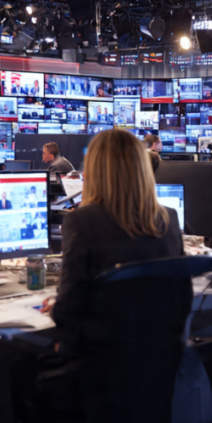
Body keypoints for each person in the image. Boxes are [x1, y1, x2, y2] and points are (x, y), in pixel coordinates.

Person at [49, 129, 183, 357]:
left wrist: (54, 306)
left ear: (94, 170)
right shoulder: (169, 218)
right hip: (159, 364)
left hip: (96, 365)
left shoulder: (82, 221)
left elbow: (68, 310)